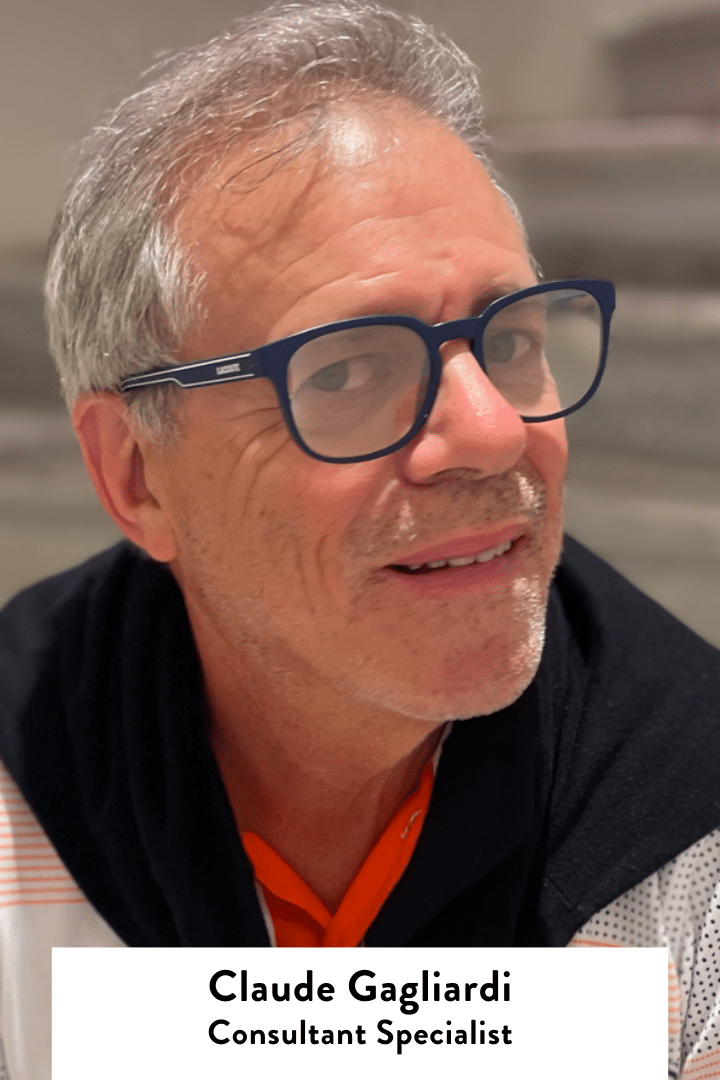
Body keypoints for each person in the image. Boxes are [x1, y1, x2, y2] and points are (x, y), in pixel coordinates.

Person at [1, 2, 719, 1077]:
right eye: (344, 370)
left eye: (509, 340)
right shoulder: (24, 784)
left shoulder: (692, 836)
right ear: (137, 476)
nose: (493, 432)